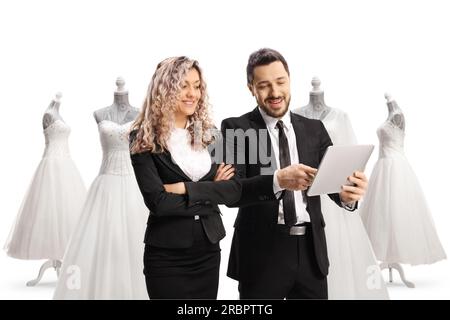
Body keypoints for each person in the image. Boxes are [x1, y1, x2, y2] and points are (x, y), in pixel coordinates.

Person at [222, 48, 368, 299]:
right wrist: (278, 180)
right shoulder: (234, 127)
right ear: (251, 88)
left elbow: (332, 185)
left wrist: (347, 196)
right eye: (264, 85)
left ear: (289, 80)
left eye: (280, 82)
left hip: (311, 252)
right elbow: (231, 194)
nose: (275, 93)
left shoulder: (315, 128)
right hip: (260, 254)